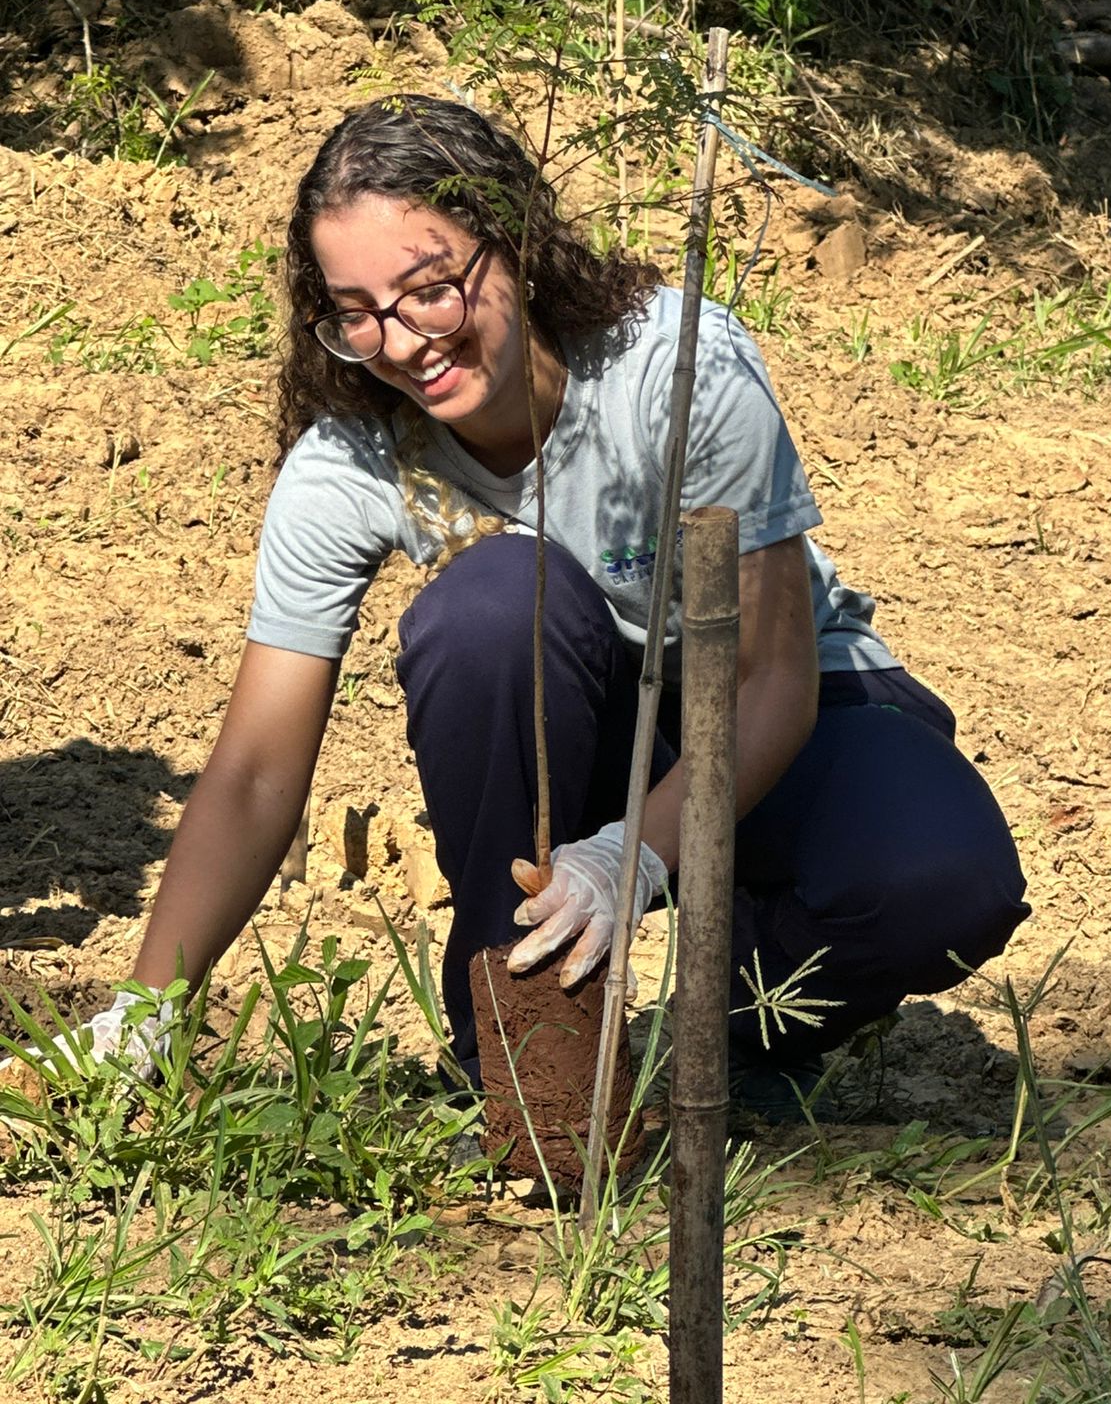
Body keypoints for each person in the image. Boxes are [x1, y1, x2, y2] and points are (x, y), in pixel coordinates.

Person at [29, 94, 1030, 1103]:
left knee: (941, 880)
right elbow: (252, 772)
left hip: (780, 714)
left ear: (511, 245)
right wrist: (146, 1013)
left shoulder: (679, 368)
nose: (402, 341)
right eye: (356, 313)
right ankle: (524, 1060)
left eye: (428, 289)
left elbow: (772, 680)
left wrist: (631, 856)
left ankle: (735, 1034)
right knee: (496, 606)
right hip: (575, 733)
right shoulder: (348, 463)